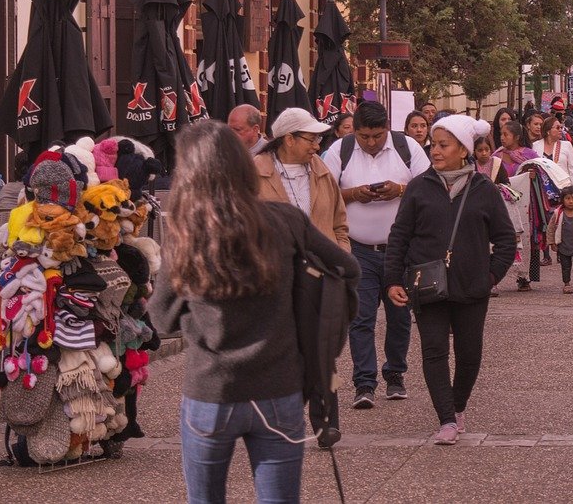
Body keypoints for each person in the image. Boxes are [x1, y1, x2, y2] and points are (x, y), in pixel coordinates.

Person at [151, 121, 359, 504]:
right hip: (278, 388)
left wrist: (197, 315)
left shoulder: (187, 233)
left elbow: (161, 319)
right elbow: (347, 269)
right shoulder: (287, 220)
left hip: (210, 391)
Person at [384, 117, 516, 445]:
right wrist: (392, 280)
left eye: (444, 145)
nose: (436, 150)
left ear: (463, 150)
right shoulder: (419, 186)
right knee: (434, 351)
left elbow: (505, 239)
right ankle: (446, 418)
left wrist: (489, 276)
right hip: (426, 284)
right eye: (434, 144)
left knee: (469, 354)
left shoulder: (484, 189)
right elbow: (399, 235)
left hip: (472, 287)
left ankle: (458, 406)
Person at [322, 101, 430, 409]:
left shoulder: (407, 147)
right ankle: (364, 383)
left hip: (399, 250)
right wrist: (354, 194)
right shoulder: (338, 151)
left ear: (387, 129)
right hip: (357, 249)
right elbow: (324, 194)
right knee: (361, 318)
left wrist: (399, 190)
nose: (371, 142)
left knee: (399, 316)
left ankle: (395, 375)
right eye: (364, 136)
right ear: (355, 130)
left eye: (377, 136)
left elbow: (427, 188)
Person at [256, 107, 350, 251]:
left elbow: (339, 225)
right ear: (289, 139)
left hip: (323, 268)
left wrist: (341, 257)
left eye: (318, 139)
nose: (317, 146)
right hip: (276, 269)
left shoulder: (321, 171)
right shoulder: (256, 173)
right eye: (311, 139)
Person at [533, 115, 573, 191]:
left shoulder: (566, 145)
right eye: (557, 128)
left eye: (561, 127)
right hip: (541, 189)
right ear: (548, 131)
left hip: (563, 188)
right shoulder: (535, 145)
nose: (560, 130)